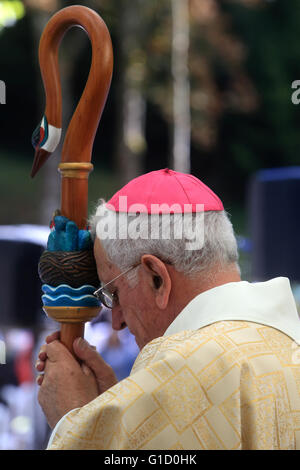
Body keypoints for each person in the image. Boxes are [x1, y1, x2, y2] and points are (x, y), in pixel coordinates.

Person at [36, 168, 300, 450]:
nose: (117, 322)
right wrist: (121, 411)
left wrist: (74, 423)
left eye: (114, 293)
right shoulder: (287, 342)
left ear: (156, 278)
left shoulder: (186, 370)